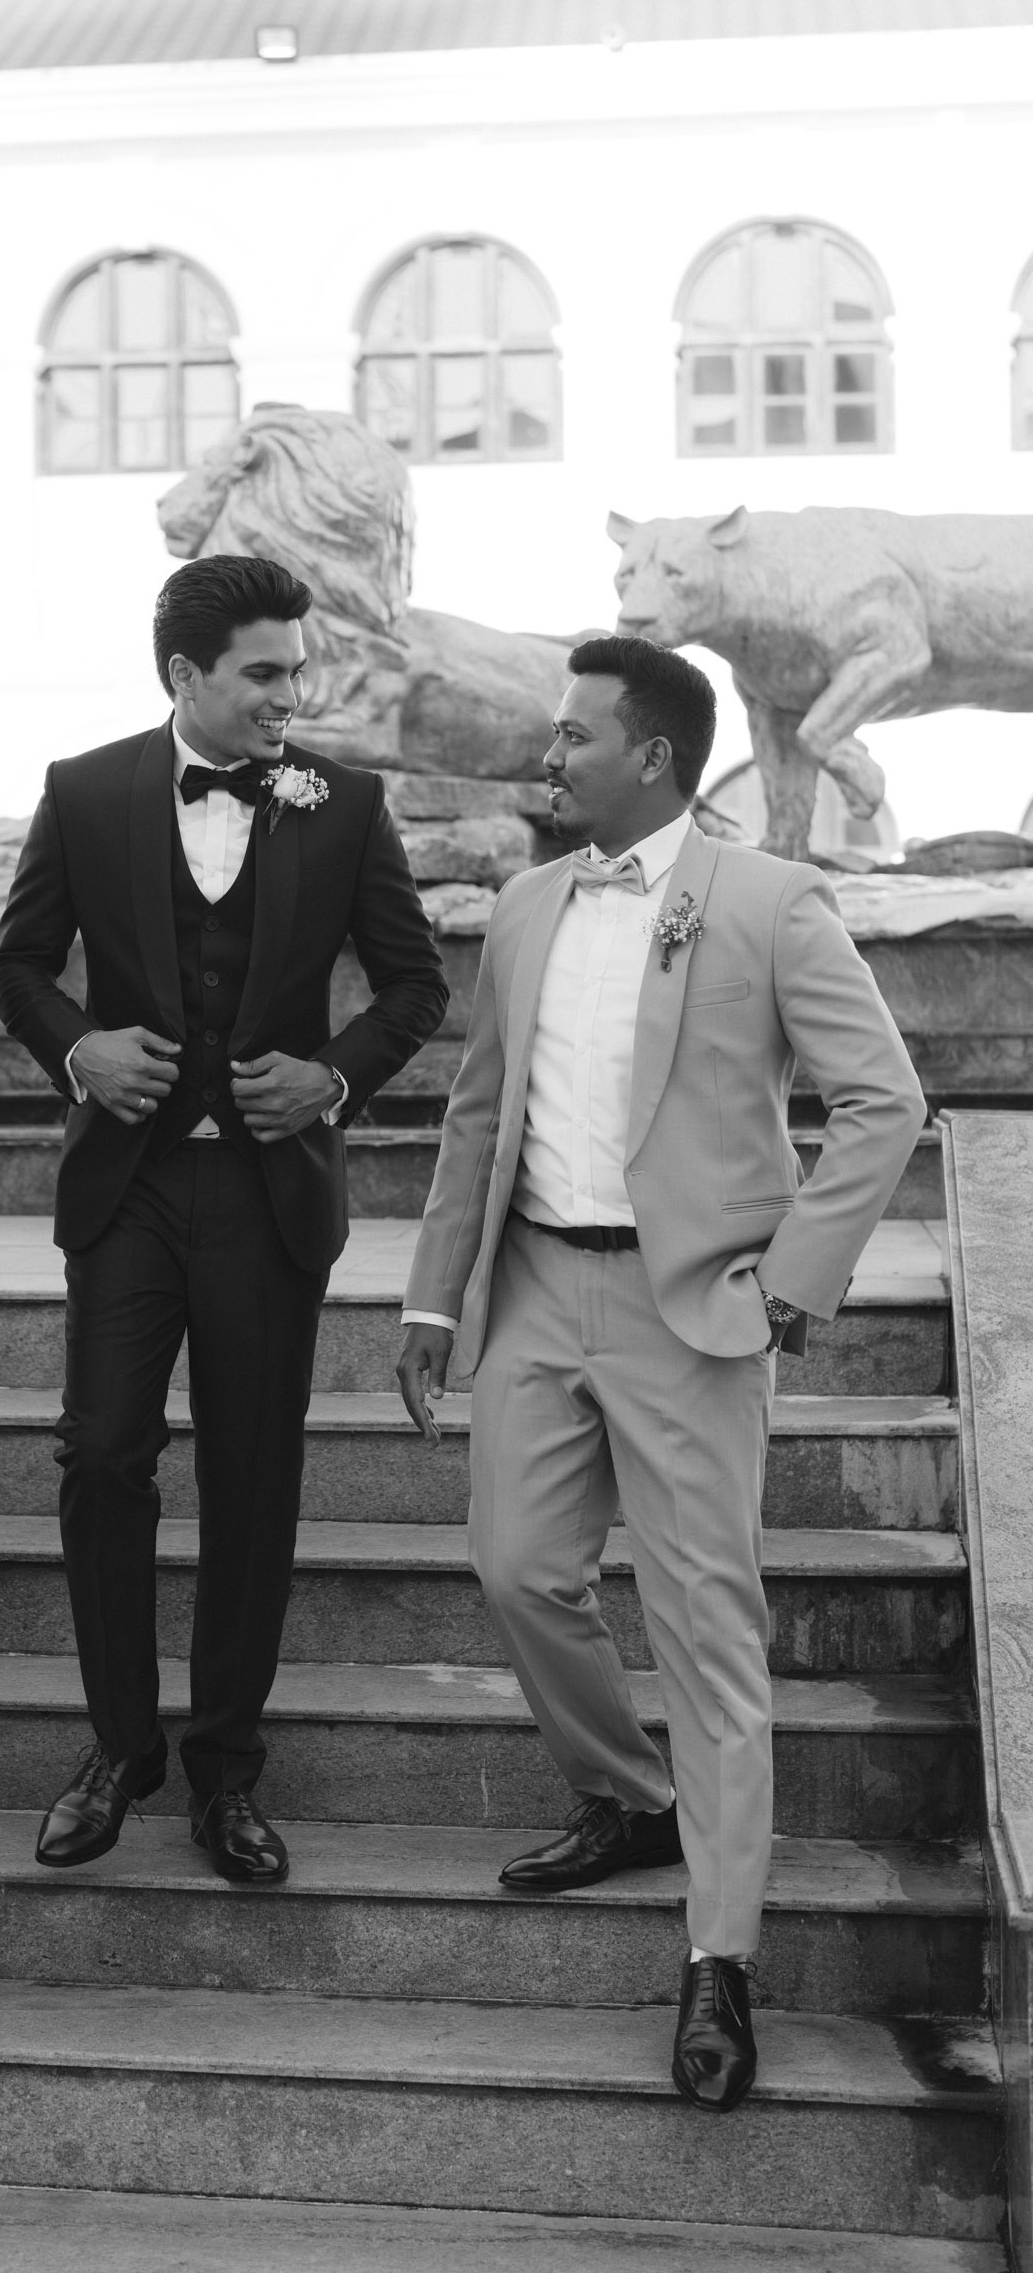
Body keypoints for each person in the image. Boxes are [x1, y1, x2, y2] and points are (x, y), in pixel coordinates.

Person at [396, 633, 924, 2114]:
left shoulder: (770, 900)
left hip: (696, 1312)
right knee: (517, 1571)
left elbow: (884, 1102)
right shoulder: (525, 906)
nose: (549, 755)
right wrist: (433, 1298)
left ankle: (720, 1957)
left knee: (707, 1635)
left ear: (653, 758)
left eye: (574, 735)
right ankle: (629, 1797)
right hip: (532, 1291)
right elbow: (477, 1114)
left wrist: (792, 1285)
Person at [0, 555, 449, 1885]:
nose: (290, 694)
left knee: (254, 1479)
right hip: (127, 1191)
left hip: (266, 1194)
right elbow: (19, 967)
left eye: (297, 670)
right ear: (187, 674)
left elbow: (414, 987)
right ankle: (119, 1748)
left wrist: (331, 1078)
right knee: (103, 1458)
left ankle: (227, 1771)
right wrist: (78, 1049)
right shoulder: (86, 792)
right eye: (264, 672)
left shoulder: (345, 804)